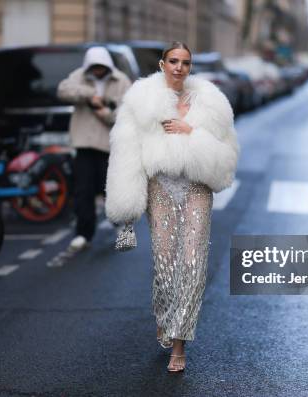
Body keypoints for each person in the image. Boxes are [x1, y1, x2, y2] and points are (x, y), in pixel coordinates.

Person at [104, 42, 239, 372]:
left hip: (197, 190)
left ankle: (180, 342)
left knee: (192, 265)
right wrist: (125, 209)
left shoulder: (211, 104)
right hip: (160, 190)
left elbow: (227, 155)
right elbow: (126, 153)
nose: (179, 67)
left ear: (190, 67)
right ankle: (165, 316)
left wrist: (192, 132)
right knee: (165, 269)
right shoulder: (141, 100)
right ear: (163, 64)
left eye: (186, 62)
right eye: (173, 61)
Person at [57, 46, 132, 251]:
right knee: (83, 191)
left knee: (112, 190)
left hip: (111, 145)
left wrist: (105, 113)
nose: (98, 71)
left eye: (101, 67)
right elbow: (63, 90)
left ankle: (122, 230)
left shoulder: (122, 81)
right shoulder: (79, 76)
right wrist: (90, 95)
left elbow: (129, 111)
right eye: (94, 67)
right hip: (84, 143)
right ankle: (83, 234)